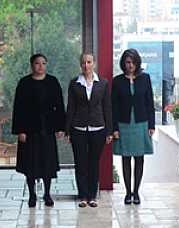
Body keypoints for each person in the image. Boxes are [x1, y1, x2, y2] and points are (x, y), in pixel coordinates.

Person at [12, 53, 66, 207]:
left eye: (43, 63)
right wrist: (20, 130)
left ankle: (47, 194)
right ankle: (32, 195)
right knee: (30, 164)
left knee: (47, 163)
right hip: (29, 130)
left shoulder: (52, 82)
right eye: (37, 63)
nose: (40, 66)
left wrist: (60, 127)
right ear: (32, 65)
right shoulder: (24, 83)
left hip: (47, 129)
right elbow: (18, 108)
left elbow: (60, 106)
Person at [66, 53, 112, 208]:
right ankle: (83, 196)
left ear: (94, 64)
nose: (86, 65)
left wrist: (109, 131)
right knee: (81, 163)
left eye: (89, 62)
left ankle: (92, 195)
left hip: (98, 128)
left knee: (93, 163)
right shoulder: (74, 83)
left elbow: (107, 108)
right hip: (78, 128)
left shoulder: (103, 84)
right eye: (84, 62)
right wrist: (67, 130)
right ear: (80, 65)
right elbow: (70, 108)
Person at [112, 48, 155, 205]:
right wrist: (114, 128)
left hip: (141, 122)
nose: (130, 65)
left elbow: (150, 103)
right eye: (128, 62)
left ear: (138, 63)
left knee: (139, 157)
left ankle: (136, 192)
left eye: (133, 62)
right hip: (123, 124)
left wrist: (152, 125)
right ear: (123, 63)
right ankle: (127, 191)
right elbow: (113, 106)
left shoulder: (145, 78)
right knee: (125, 158)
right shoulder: (117, 81)